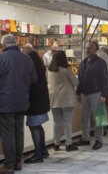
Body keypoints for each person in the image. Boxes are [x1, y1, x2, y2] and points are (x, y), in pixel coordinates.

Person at [0, 34, 37, 173]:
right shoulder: (27, 58)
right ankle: (17, 162)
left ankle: (9, 165)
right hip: (22, 101)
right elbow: (34, 79)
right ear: (15, 43)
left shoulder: (1, 58)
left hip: (5, 102)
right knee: (19, 131)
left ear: (4, 44)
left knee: (8, 133)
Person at [76, 41, 108, 150]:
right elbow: (80, 78)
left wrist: (104, 94)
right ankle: (85, 138)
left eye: (89, 48)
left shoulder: (101, 63)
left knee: (98, 117)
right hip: (84, 93)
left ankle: (99, 139)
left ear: (96, 49)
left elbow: (105, 79)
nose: (87, 50)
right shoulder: (84, 62)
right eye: (86, 48)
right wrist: (78, 92)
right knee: (84, 117)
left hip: (96, 93)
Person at [48, 50, 79, 152]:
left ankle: (56, 144)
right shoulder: (66, 69)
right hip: (67, 99)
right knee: (67, 122)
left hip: (53, 98)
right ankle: (68, 144)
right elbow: (75, 82)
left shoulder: (49, 70)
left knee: (56, 122)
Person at [23, 50, 50, 164]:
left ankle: (38, 154)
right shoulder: (41, 68)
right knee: (38, 127)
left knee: (34, 127)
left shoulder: (32, 70)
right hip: (41, 101)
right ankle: (43, 151)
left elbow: (31, 87)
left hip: (34, 103)